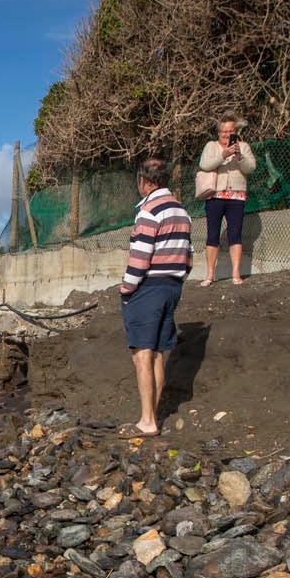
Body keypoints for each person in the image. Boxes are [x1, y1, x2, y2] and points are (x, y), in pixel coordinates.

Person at [117, 157, 191, 437]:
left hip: (148, 286)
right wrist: (176, 279)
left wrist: (127, 287)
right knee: (158, 353)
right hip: (172, 285)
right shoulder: (181, 211)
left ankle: (147, 421)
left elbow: (140, 256)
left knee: (142, 354)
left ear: (143, 180)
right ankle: (153, 415)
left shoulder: (148, 211)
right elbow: (189, 255)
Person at [197, 117, 258, 285]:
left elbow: (250, 167)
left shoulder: (244, 147)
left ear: (236, 132)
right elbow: (205, 165)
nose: (227, 135)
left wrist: (239, 156)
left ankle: (236, 274)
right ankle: (209, 275)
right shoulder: (211, 146)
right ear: (219, 133)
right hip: (215, 195)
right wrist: (223, 155)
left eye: (231, 132)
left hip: (236, 196)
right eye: (224, 132)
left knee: (235, 234)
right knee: (212, 235)